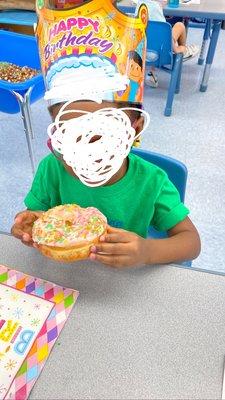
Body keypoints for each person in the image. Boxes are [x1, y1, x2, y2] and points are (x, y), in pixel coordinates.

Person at [11, 99, 201, 268]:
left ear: (134, 129)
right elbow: (33, 215)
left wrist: (146, 251)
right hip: (64, 277)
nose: (82, 157)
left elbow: (191, 242)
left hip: (122, 281)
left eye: (96, 141)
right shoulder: (52, 168)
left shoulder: (152, 182)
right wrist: (29, 223)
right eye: (67, 140)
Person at [134, 0, 199, 87]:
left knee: (152, 32)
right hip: (161, 54)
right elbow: (163, 34)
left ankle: (151, 73)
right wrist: (175, 48)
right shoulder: (155, 8)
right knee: (180, 25)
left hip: (140, 52)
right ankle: (182, 51)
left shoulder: (139, 5)